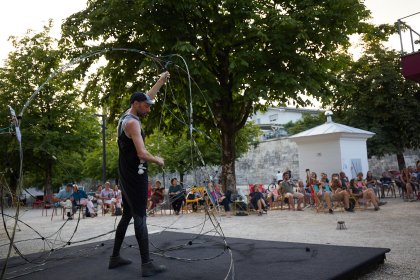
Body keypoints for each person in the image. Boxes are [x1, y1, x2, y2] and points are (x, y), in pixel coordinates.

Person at [109, 71, 169, 277]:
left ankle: (115, 258)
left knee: (127, 215)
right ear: (136, 104)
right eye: (146, 105)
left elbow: (146, 95)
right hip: (135, 175)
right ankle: (147, 264)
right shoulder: (133, 123)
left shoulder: (128, 115)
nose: (150, 109)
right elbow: (141, 152)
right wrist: (157, 160)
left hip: (126, 173)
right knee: (140, 216)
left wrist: (160, 81)